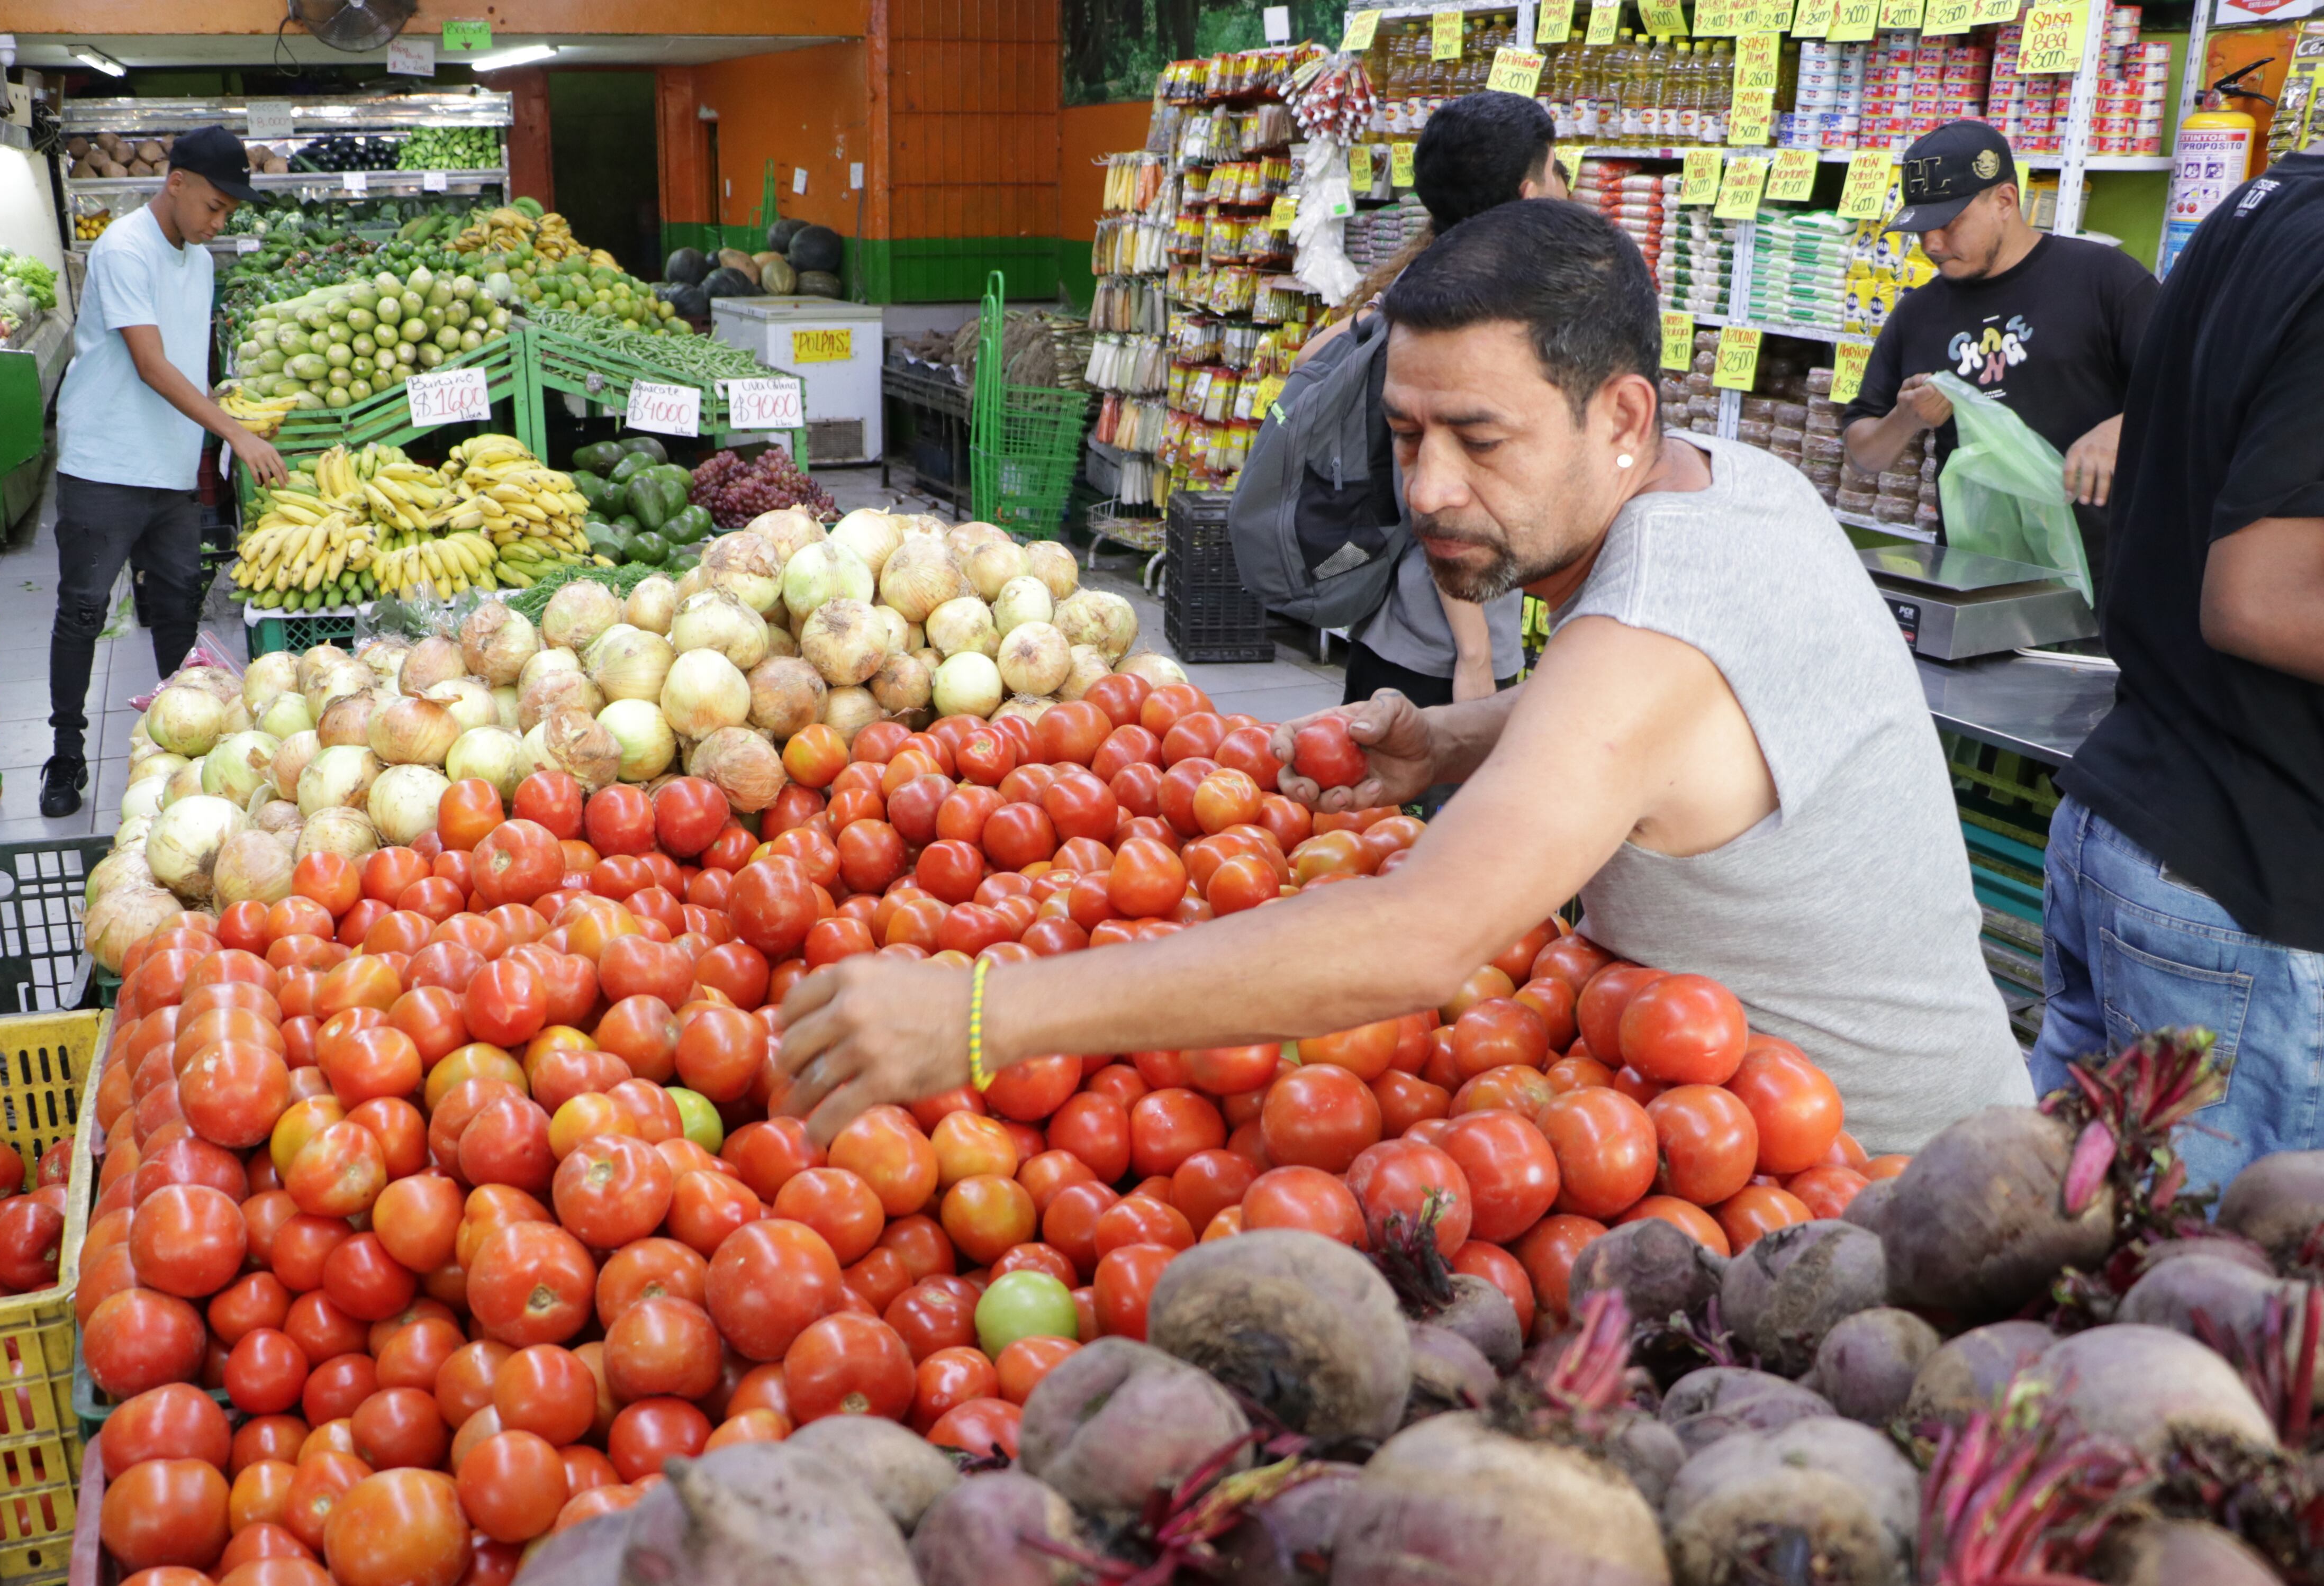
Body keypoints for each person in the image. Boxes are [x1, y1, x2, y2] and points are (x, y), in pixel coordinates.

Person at [773, 200, 2030, 1154]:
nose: (1429, 489)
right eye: (1406, 434)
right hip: (1743, 1126)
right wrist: (1462, 737)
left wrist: (980, 1016)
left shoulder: (1650, 626)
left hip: (1874, 1188)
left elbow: (1422, 940)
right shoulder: (1737, 485)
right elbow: (1688, 723)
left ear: (1623, 418)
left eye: (1480, 441)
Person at [2034, 85, 2324, 1189]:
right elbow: (2258, 597)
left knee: (2052, 1269)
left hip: (2141, 831)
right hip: (2247, 899)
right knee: (2213, 1318)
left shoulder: (2264, 212)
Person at [43, 124, 286, 819]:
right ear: (175, 182)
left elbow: (186, 361)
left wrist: (228, 412)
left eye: (229, 214)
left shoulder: (201, 262)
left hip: (173, 470)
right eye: (215, 206)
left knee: (178, 608)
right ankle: (65, 755)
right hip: (106, 466)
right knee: (84, 613)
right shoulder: (124, 248)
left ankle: (187, 744)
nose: (219, 222)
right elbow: (150, 365)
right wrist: (232, 433)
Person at [1309, 92, 1573, 709]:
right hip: (1440, 652)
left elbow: (1311, 360)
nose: (1567, 186)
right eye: (1557, 169)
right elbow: (1440, 499)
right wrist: (1476, 656)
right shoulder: (1469, 322)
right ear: (1529, 196)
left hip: (1395, 633)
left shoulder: (1420, 286)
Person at [1843, 120, 2158, 587]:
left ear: (2005, 201)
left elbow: (2196, 389)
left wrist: (2123, 427)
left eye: (1949, 224)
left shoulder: (2105, 280)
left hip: (2113, 577)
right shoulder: (1917, 314)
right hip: (1980, 582)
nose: (1932, 245)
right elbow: (1862, 456)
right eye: (1921, 227)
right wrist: (1906, 418)